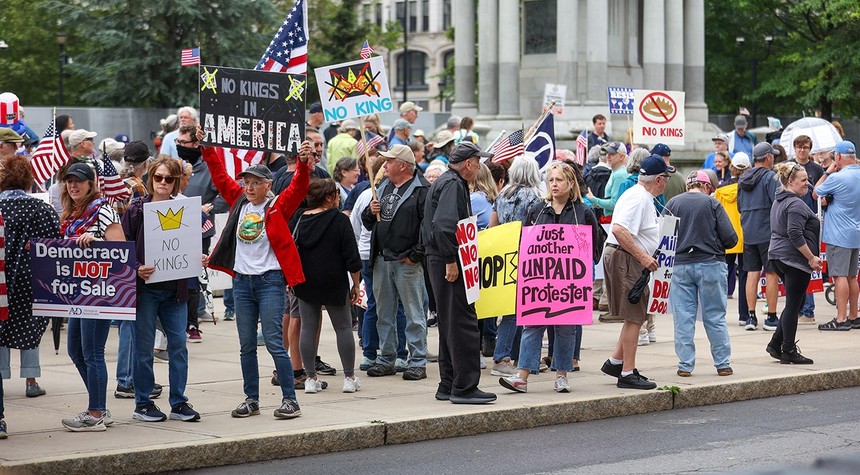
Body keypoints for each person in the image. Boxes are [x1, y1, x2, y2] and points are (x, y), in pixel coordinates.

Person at [204, 132, 314, 420]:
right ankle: (251, 399)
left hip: (270, 282)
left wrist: (303, 164)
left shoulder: (277, 206)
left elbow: (300, 187)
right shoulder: (239, 202)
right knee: (246, 346)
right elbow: (219, 176)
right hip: (241, 283)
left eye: (255, 183)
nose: (250, 187)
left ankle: (290, 400)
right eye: (247, 183)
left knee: (275, 343)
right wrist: (207, 148)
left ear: (268, 185)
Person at [499, 162, 603, 394]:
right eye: (551, 180)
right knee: (532, 325)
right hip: (539, 280)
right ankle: (522, 376)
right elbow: (525, 244)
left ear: (571, 183)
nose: (554, 184)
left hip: (568, 282)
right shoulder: (537, 210)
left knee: (566, 329)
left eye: (559, 180)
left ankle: (562, 375)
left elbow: (594, 247)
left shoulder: (583, 212)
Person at [120, 157, 199, 422]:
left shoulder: (185, 209)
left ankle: (179, 402)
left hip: (175, 292)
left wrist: (197, 257)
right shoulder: (136, 209)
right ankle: (143, 403)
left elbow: (191, 244)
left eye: (169, 179)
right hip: (146, 291)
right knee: (143, 349)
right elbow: (123, 247)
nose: (163, 182)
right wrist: (136, 267)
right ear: (151, 178)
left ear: (176, 182)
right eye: (158, 177)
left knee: (178, 347)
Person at [422, 142, 497, 404]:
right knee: (463, 324)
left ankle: (448, 383)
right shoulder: (453, 184)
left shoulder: (448, 182)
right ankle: (464, 386)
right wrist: (451, 260)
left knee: (450, 323)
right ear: (468, 163)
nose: (479, 167)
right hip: (447, 259)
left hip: (440, 258)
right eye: (478, 162)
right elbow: (444, 226)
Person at [59, 162, 125, 431]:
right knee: (75, 350)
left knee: (92, 352)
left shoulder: (103, 209)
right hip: (77, 292)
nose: (73, 185)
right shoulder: (71, 213)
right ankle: (100, 406)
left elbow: (121, 249)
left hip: (99, 291)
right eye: (69, 181)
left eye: (79, 181)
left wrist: (96, 241)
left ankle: (96, 412)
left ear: (90, 184)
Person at [600, 155, 669, 390]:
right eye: (666, 177)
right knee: (635, 316)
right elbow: (619, 230)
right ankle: (627, 373)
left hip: (625, 257)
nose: (667, 182)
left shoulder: (639, 196)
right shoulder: (640, 198)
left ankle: (616, 362)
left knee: (635, 313)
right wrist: (644, 257)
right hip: (626, 258)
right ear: (658, 179)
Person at [362, 145, 429, 381]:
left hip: (406, 261)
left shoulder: (422, 190)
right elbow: (368, 222)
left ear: (402, 165)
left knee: (414, 313)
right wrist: (370, 211)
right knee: (384, 313)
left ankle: (417, 360)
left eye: (389, 161)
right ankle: (387, 358)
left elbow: (427, 227)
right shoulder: (383, 186)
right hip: (383, 258)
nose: (385, 165)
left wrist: (415, 255)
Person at [291, 179, 362, 393]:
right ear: (329, 197)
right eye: (337, 195)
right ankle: (349, 377)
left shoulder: (299, 218)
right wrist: (356, 284)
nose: (339, 198)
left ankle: (310, 378)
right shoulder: (339, 220)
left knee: (308, 328)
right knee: (343, 327)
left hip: (305, 280)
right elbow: (352, 256)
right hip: (334, 279)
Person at [665, 171, 738, 377]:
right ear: (706, 186)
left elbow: (665, 237)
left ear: (688, 185)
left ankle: (685, 365)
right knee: (715, 316)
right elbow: (730, 238)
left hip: (680, 265)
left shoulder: (673, 203)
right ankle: (722, 364)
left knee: (683, 317)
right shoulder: (712, 203)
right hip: (711, 263)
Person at [0, 155, 59, 404]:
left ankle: (1, 378)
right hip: (31, 275)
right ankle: (31, 380)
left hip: (1, 275)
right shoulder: (42, 209)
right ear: (28, 180)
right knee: (30, 324)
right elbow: (54, 243)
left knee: (1, 324)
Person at [487, 156, 542, 377]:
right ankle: (502, 357)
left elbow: (492, 226)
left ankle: (521, 358)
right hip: (527, 256)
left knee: (512, 308)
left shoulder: (502, 195)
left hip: (504, 255)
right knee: (518, 310)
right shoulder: (536, 198)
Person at [765, 163, 821, 363]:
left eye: (808, 179)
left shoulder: (780, 200)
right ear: (790, 181)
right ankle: (788, 350)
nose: (807, 183)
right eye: (803, 180)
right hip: (793, 259)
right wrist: (811, 257)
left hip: (779, 256)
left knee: (796, 303)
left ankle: (775, 343)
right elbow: (795, 234)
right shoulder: (795, 204)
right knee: (793, 305)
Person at [814, 140, 860, 331]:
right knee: (852, 276)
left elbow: (816, 192)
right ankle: (854, 315)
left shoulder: (837, 177)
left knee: (839, 276)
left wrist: (828, 171)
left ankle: (841, 318)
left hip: (838, 233)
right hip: (855, 232)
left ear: (838, 156)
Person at [739, 142, 780, 331]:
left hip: (748, 231)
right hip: (767, 232)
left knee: (752, 273)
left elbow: (740, 207)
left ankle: (750, 317)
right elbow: (778, 203)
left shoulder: (743, 178)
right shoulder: (770, 177)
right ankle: (771, 317)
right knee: (771, 273)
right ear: (768, 157)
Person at [715, 153, 752, 326]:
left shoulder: (720, 190)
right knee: (745, 276)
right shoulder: (750, 189)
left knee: (722, 276)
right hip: (745, 235)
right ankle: (744, 315)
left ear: (732, 167)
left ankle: (719, 314)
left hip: (726, 236)